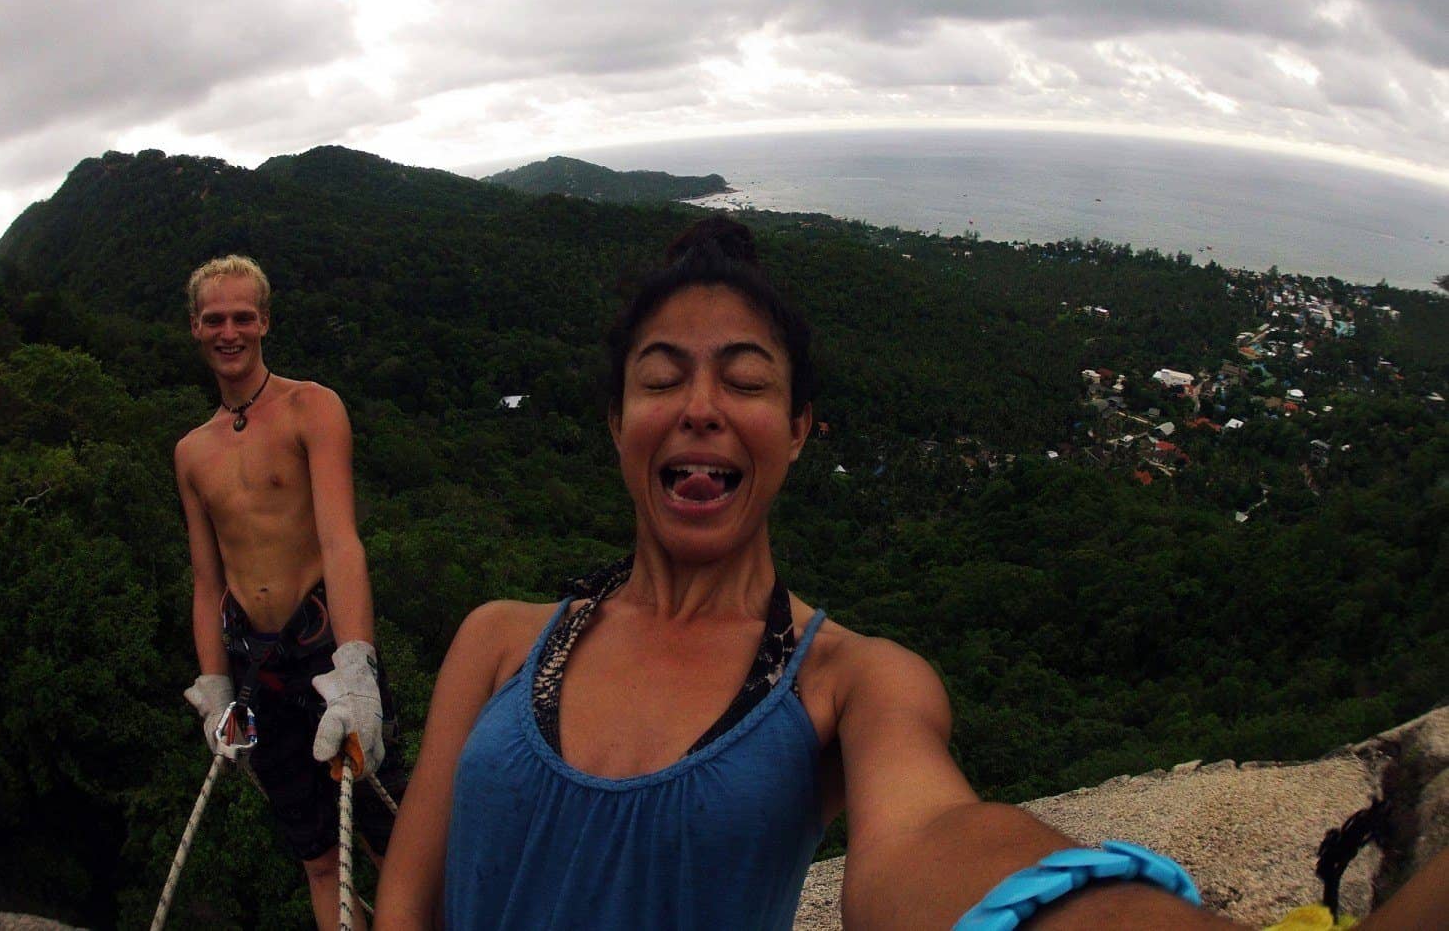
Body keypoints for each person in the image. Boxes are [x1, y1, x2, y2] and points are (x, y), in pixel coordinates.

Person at [374, 220, 1447, 930]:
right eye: (662, 379)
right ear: (618, 426)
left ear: (797, 433)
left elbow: (935, 838)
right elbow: (405, 900)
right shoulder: (501, 640)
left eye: (743, 382)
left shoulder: (847, 682)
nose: (699, 404)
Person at [175, 254, 408, 929]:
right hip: (258, 672)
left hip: (325, 651)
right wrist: (214, 687)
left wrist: (358, 663)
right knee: (317, 858)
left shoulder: (313, 407)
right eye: (215, 318)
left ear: (265, 321)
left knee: (392, 840)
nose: (230, 331)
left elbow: (341, 542)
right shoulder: (192, 451)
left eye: (243, 316)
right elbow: (207, 579)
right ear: (195, 327)